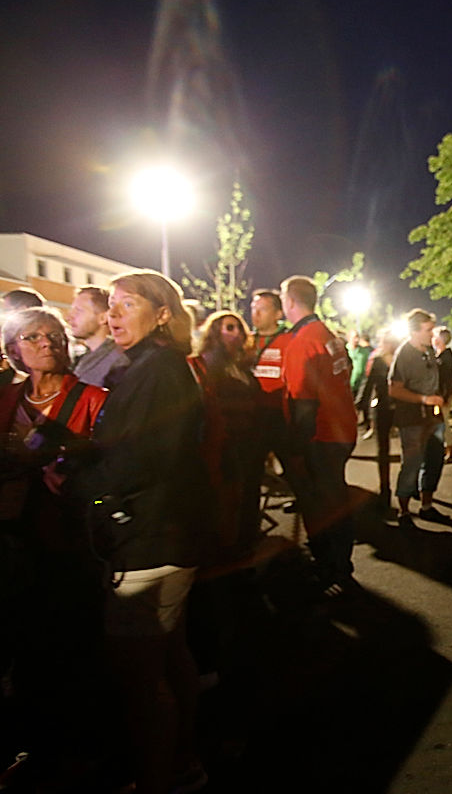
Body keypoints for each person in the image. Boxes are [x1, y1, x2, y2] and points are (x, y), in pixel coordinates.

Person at [75, 271, 210, 794]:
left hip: (151, 539)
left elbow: (141, 458)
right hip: (167, 532)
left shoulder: (157, 371)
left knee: (139, 675)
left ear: (162, 314)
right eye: (111, 304)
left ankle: (158, 777)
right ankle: (183, 763)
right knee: (169, 654)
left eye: (126, 304)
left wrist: (84, 478)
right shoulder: (152, 367)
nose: (113, 314)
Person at [0, 307, 107, 782]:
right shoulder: (4, 400)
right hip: (9, 541)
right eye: (33, 337)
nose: (47, 343)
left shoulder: (95, 399)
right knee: (19, 644)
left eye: (55, 335)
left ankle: (75, 749)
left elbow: (108, 465)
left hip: (67, 543)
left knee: (67, 644)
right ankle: (30, 740)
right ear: (14, 350)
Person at [279, 275, 358, 596]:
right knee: (336, 498)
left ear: (290, 302)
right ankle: (340, 562)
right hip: (341, 428)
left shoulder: (303, 342)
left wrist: (296, 448)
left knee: (323, 505)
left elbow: (303, 403)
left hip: (321, 436)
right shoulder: (327, 335)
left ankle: (330, 566)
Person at [188, 311, 262, 558]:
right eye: (230, 328)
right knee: (225, 503)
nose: (237, 333)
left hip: (246, 442)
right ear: (215, 332)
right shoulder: (208, 362)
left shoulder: (240, 363)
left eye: (240, 328)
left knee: (242, 499)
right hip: (225, 442)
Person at [387, 309, 447, 528]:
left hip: (433, 417)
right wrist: (423, 399)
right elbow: (393, 389)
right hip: (412, 418)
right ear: (414, 331)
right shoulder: (405, 354)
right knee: (412, 462)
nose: (432, 334)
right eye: (428, 330)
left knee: (434, 460)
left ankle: (427, 506)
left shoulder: (429, 350)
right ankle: (404, 511)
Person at [359, 330, 399, 503]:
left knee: (387, 449)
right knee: (384, 450)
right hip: (385, 407)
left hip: (396, 407)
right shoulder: (379, 360)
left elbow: (367, 386)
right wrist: (360, 403)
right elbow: (368, 385)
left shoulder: (400, 359)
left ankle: (394, 489)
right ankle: (386, 488)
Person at [66, 286, 129, 388]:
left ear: (103, 317)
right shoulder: (83, 359)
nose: (69, 317)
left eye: (78, 311)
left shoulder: (119, 360)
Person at [432, 326, 452, 459]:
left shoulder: (446, 357)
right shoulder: (439, 355)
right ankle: (444, 448)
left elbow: (448, 378)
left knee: (444, 422)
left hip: (444, 395)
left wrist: (446, 396)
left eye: (435, 336)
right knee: (439, 422)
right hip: (440, 394)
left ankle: (450, 449)